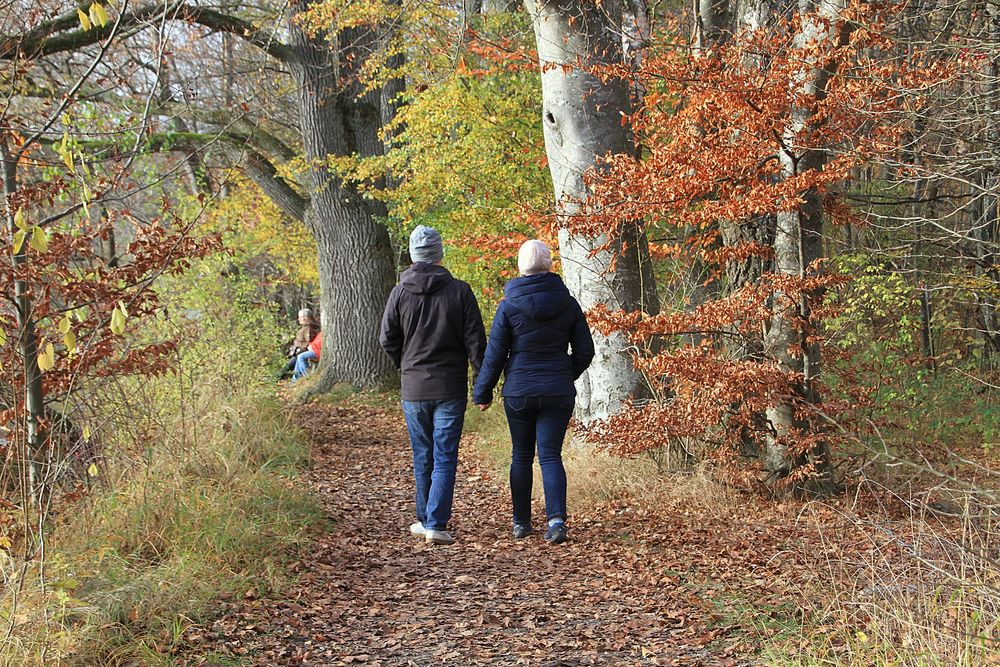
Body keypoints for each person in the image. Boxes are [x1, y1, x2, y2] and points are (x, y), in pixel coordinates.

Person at [473, 240, 594, 544]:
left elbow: (495, 354)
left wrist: (482, 393)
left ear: (520, 267)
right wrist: (566, 374)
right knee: (551, 455)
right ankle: (556, 522)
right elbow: (585, 351)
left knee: (521, 455)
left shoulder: (509, 304)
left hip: (519, 391)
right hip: (557, 390)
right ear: (550, 265)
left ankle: (521, 523)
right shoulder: (567, 303)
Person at [379, 225, 486, 546]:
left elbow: (387, 338)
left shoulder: (400, 292)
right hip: (449, 387)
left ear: (414, 255)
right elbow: (476, 343)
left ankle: (427, 519)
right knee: (444, 455)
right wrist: (483, 384)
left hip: (414, 389)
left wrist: (405, 364)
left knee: (423, 454)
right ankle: (434, 522)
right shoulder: (460, 291)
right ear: (439, 254)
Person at [279, 309, 319, 379]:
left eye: (300, 317)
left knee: (287, 366)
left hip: (302, 351)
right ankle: (293, 380)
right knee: (288, 365)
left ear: (305, 318)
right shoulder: (305, 327)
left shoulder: (308, 328)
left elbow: (309, 342)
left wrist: (300, 350)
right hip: (298, 351)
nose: (299, 319)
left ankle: (275, 377)